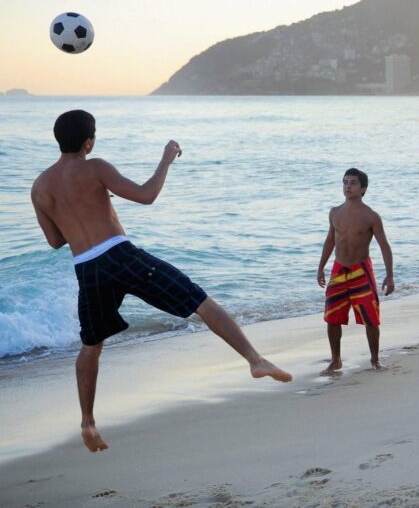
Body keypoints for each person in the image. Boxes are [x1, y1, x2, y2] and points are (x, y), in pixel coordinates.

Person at [30, 111, 292, 453]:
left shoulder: (39, 187)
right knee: (199, 301)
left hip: (87, 269)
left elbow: (54, 241)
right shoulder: (95, 167)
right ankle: (255, 360)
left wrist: (77, 212)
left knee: (91, 345)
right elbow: (146, 195)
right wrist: (166, 159)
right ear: (88, 142)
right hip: (120, 256)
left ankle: (88, 422)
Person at [316, 168, 394, 375]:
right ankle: (335, 360)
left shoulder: (371, 216)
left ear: (363, 189)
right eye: (345, 182)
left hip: (361, 270)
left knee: (371, 317)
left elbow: (384, 246)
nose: (347, 186)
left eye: (353, 183)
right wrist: (321, 267)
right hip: (338, 270)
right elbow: (330, 240)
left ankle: (375, 360)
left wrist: (390, 275)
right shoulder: (335, 212)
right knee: (332, 317)